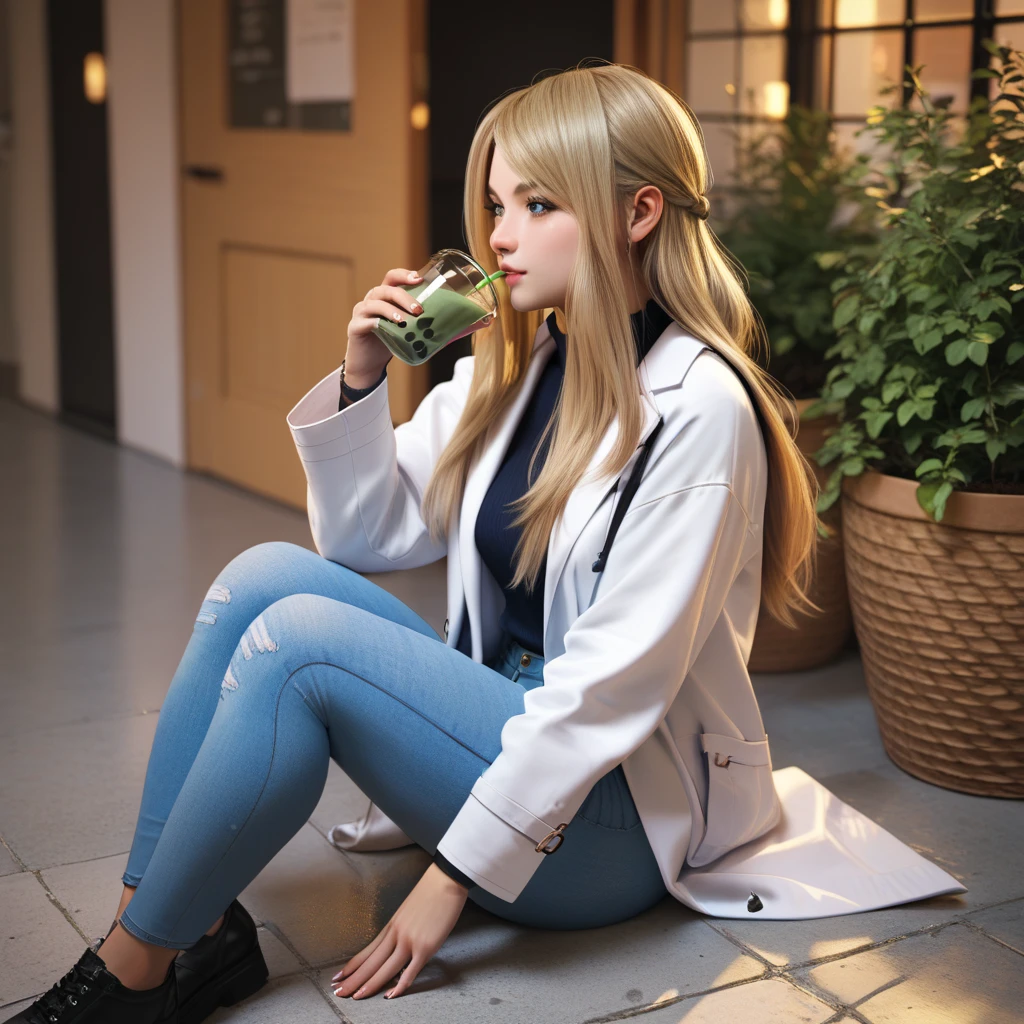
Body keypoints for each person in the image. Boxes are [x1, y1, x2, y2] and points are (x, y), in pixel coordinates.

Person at [10, 61, 964, 1024]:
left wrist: (451, 877)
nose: (498, 236)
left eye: (536, 203)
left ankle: (129, 981)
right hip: (503, 737)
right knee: (264, 576)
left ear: (637, 212)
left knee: (297, 643)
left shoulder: (699, 408)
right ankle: (172, 931)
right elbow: (364, 533)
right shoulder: (516, 364)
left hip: (606, 823)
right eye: (497, 202)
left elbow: (609, 692)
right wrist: (360, 376)